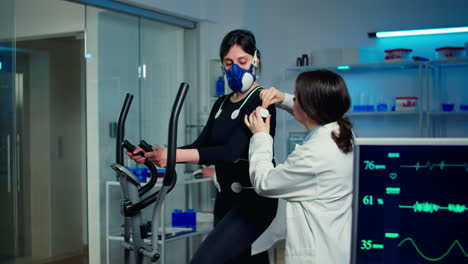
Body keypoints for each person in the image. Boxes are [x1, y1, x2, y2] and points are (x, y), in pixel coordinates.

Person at [127, 29, 278, 263]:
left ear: (255, 60)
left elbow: (230, 152)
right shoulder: (221, 103)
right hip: (225, 198)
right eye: (228, 63)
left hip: (252, 202)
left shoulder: (262, 100)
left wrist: (172, 155)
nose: (235, 68)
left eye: (242, 61)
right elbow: (201, 147)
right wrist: (155, 154)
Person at [244, 69, 354, 264]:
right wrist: (283, 98)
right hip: (337, 248)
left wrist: (261, 135)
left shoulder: (312, 156)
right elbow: (312, 109)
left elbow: (264, 183)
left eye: (296, 97)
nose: (293, 99)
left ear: (309, 108)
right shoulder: (344, 134)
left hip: (318, 255)